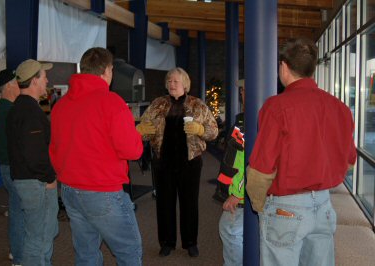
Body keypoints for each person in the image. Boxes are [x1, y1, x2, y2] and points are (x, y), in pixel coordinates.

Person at [246, 38, 357, 266]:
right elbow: (349, 162)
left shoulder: (276, 106)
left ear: (284, 66)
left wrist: (259, 204)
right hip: (324, 207)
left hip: (285, 208)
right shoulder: (340, 108)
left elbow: (261, 167)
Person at [49, 47, 143, 266]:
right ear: (108, 71)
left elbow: (55, 149)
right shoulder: (112, 102)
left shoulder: (60, 105)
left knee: (86, 251)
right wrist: (136, 134)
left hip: (70, 190)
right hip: (103, 191)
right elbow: (132, 151)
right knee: (129, 250)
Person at [136, 67, 218, 257]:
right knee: (164, 204)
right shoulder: (158, 104)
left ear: (185, 84)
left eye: (176, 81)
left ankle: (190, 242)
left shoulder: (197, 105)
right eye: (169, 81)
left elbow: (213, 131)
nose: (172, 84)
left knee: (189, 204)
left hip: (190, 162)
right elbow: (144, 129)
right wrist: (142, 131)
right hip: (163, 162)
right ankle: (167, 242)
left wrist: (199, 129)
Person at [6, 59, 58, 266]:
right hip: (36, 182)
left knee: (42, 233)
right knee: (38, 237)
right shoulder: (29, 112)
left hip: (27, 179)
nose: (47, 80)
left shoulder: (19, 108)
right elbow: (34, 154)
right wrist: (50, 178)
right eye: (44, 77)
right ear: (34, 80)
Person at [214, 80, 245, 266]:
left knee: (229, 230)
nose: (242, 94)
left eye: (245, 90)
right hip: (236, 191)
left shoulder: (253, 119)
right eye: (241, 90)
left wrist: (237, 194)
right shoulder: (242, 118)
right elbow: (235, 156)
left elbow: (250, 162)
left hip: (240, 196)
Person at [0, 69, 23, 265]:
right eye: (16, 82)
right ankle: (20, 257)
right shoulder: (9, 109)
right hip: (13, 168)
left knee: (16, 211)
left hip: (8, 167)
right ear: (9, 86)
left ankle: (16, 252)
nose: (19, 85)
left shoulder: (5, 106)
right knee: (20, 214)